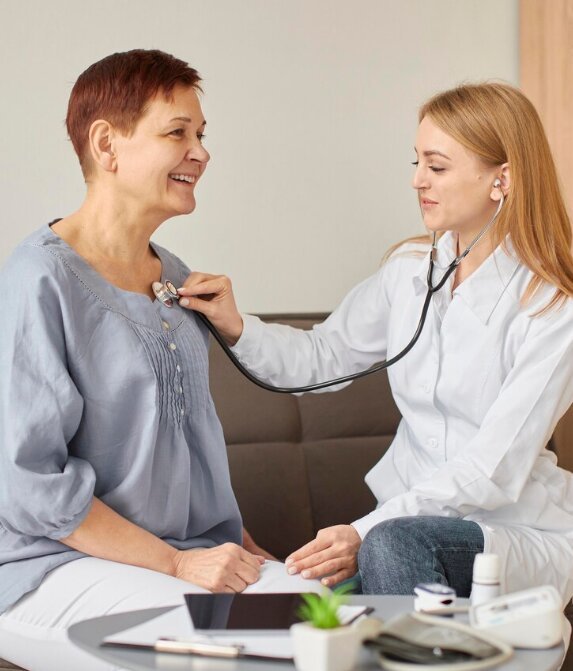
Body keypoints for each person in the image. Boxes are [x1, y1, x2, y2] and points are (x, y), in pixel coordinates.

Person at [177, 82, 573, 605]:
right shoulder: (408, 271)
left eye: (436, 166)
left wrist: (365, 531)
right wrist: (235, 324)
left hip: (510, 533)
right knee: (301, 602)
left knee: (390, 545)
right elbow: (322, 358)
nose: (417, 180)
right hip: (401, 534)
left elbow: (492, 470)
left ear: (502, 178)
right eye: (416, 162)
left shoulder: (553, 307)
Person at [0, 49, 316, 671]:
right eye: (178, 133)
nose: (201, 152)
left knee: (319, 617)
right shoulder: (37, 281)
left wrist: (242, 550)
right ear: (106, 145)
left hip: (180, 553)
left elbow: (177, 451)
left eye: (202, 134)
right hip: (47, 565)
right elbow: (30, 486)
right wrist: (176, 563)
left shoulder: (174, 277)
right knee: (215, 646)